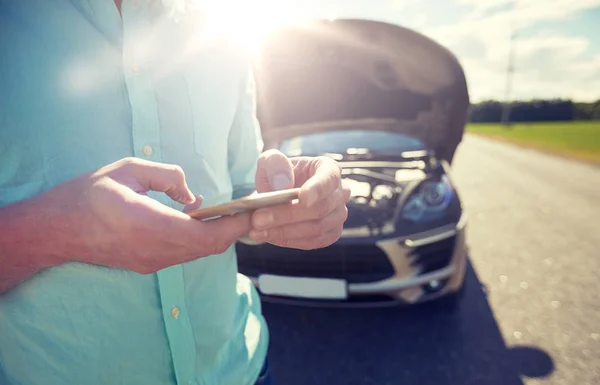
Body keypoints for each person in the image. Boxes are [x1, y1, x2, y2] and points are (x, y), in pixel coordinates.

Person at [0, 1, 350, 384]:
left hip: (239, 367)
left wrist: (290, 196)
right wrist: (61, 231)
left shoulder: (223, 32)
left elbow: (241, 185)